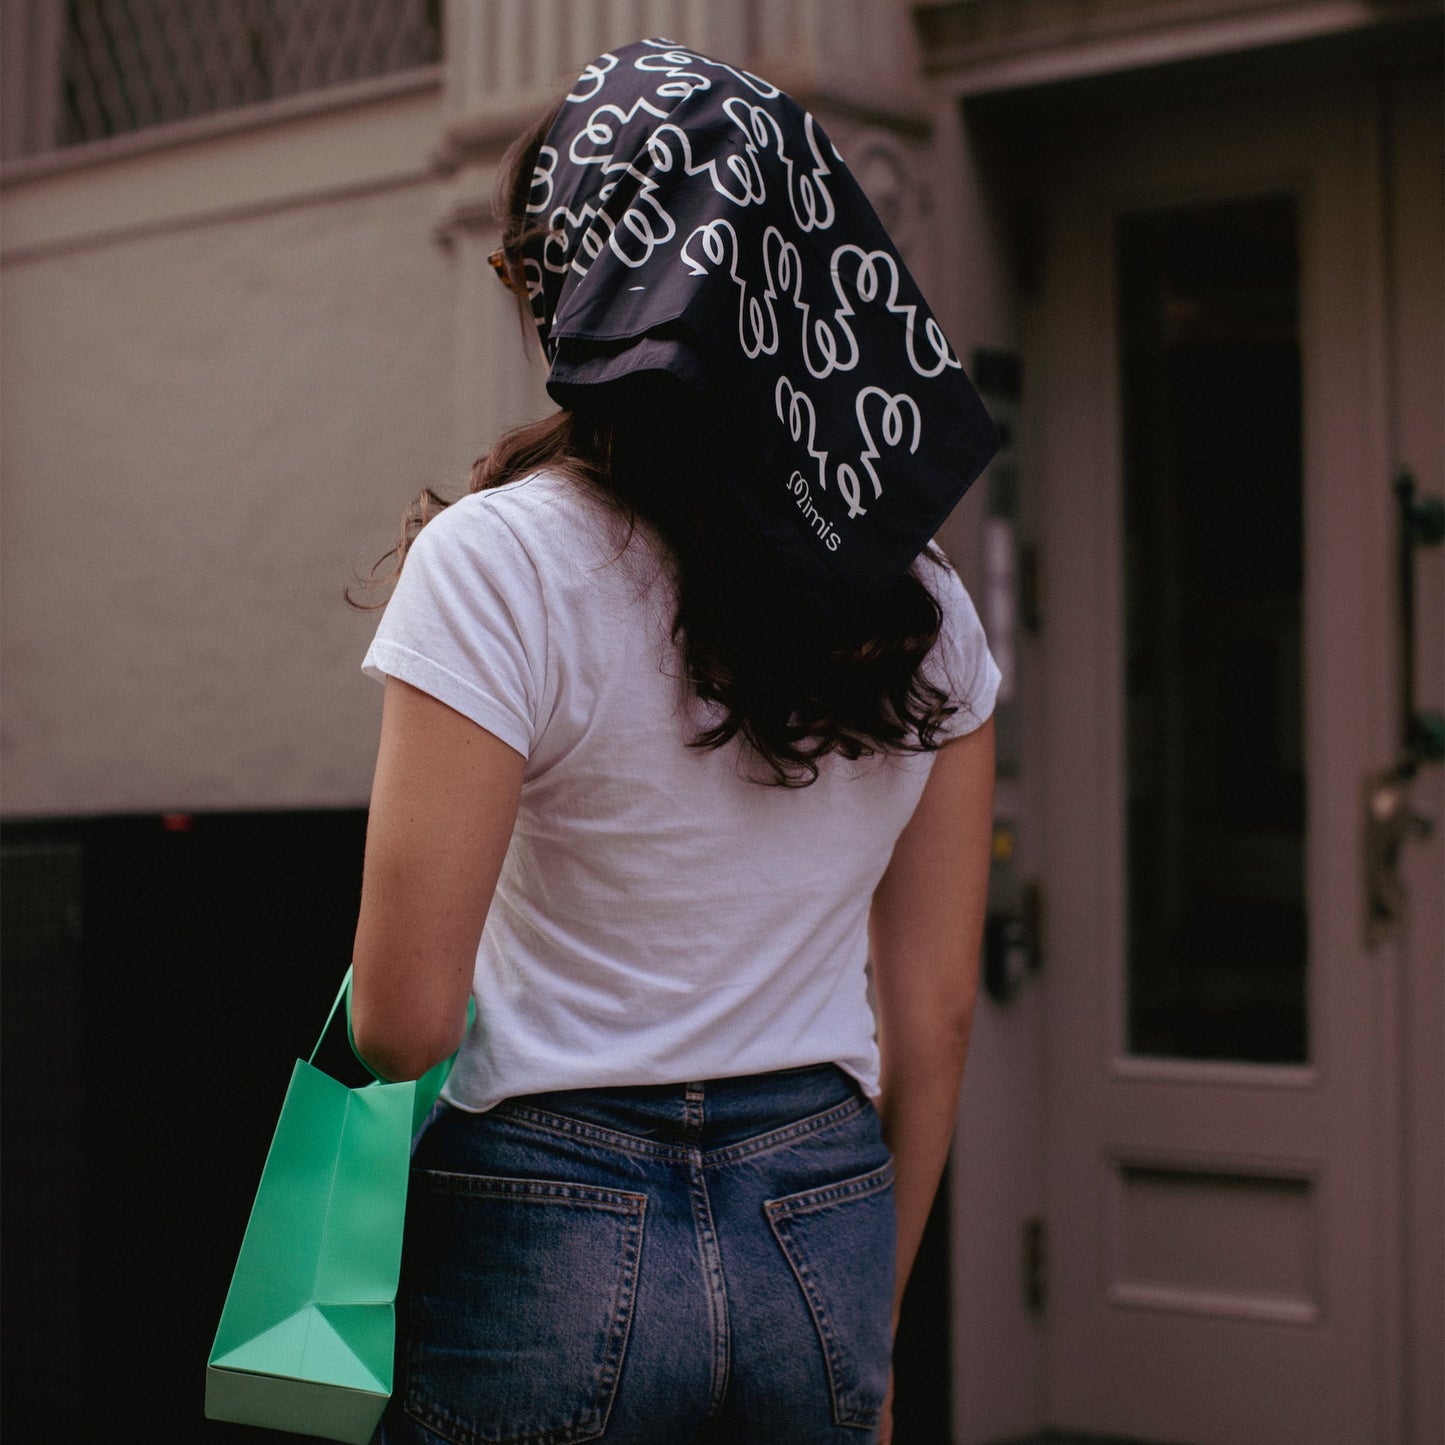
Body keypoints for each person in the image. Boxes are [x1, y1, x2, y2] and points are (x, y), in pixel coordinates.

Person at [349, 38, 999, 1445]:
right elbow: (933, 1010)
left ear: (563, 285)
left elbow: (402, 1020)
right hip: (818, 1213)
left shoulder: (498, 562)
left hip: (540, 1217)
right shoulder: (927, 602)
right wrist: (867, 1323)